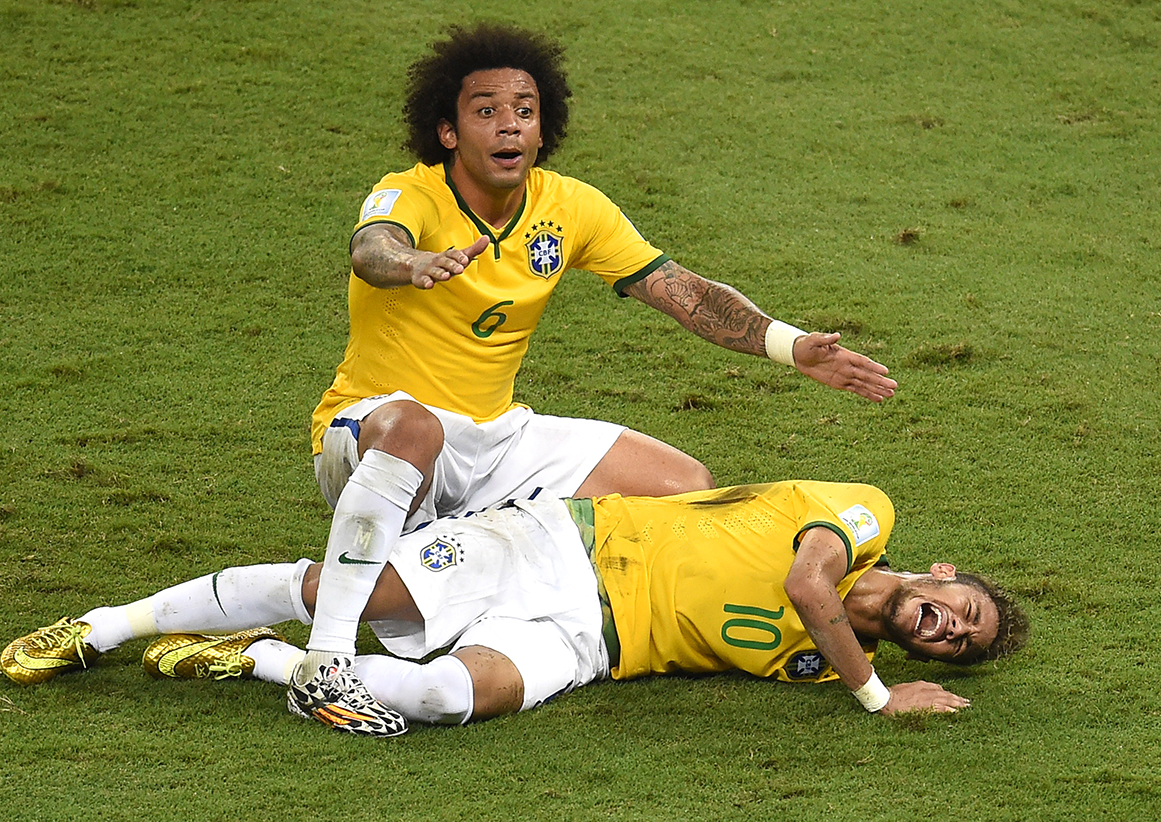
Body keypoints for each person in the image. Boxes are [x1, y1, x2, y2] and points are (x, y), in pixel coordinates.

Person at [297, 22, 901, 731]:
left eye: (523, 109)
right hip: (374, 431)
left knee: (684, 488)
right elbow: (372, 247)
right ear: (449, 131)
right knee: (417, 428)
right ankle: (327, 659)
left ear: (543, 126)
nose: (508, 124)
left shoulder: (570, 208)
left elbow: (680, 289)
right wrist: (411, 266)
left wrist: (790, 345)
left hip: (495, 434)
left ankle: (531, 584)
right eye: (485, 109)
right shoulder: (412, 194)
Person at [1, 480, 1027, 736]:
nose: (949, 625)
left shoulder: (819, 663)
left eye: (961, 642)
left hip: (586, 640)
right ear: (937, 573)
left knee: (451, 700)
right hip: (555, 543)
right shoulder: (862, 518)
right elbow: (811, 589)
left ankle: (248, 658)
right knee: (353, 591)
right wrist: (881, 699)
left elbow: (816, 636)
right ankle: (106, 625)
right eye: (959, 606)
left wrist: (873, 682)